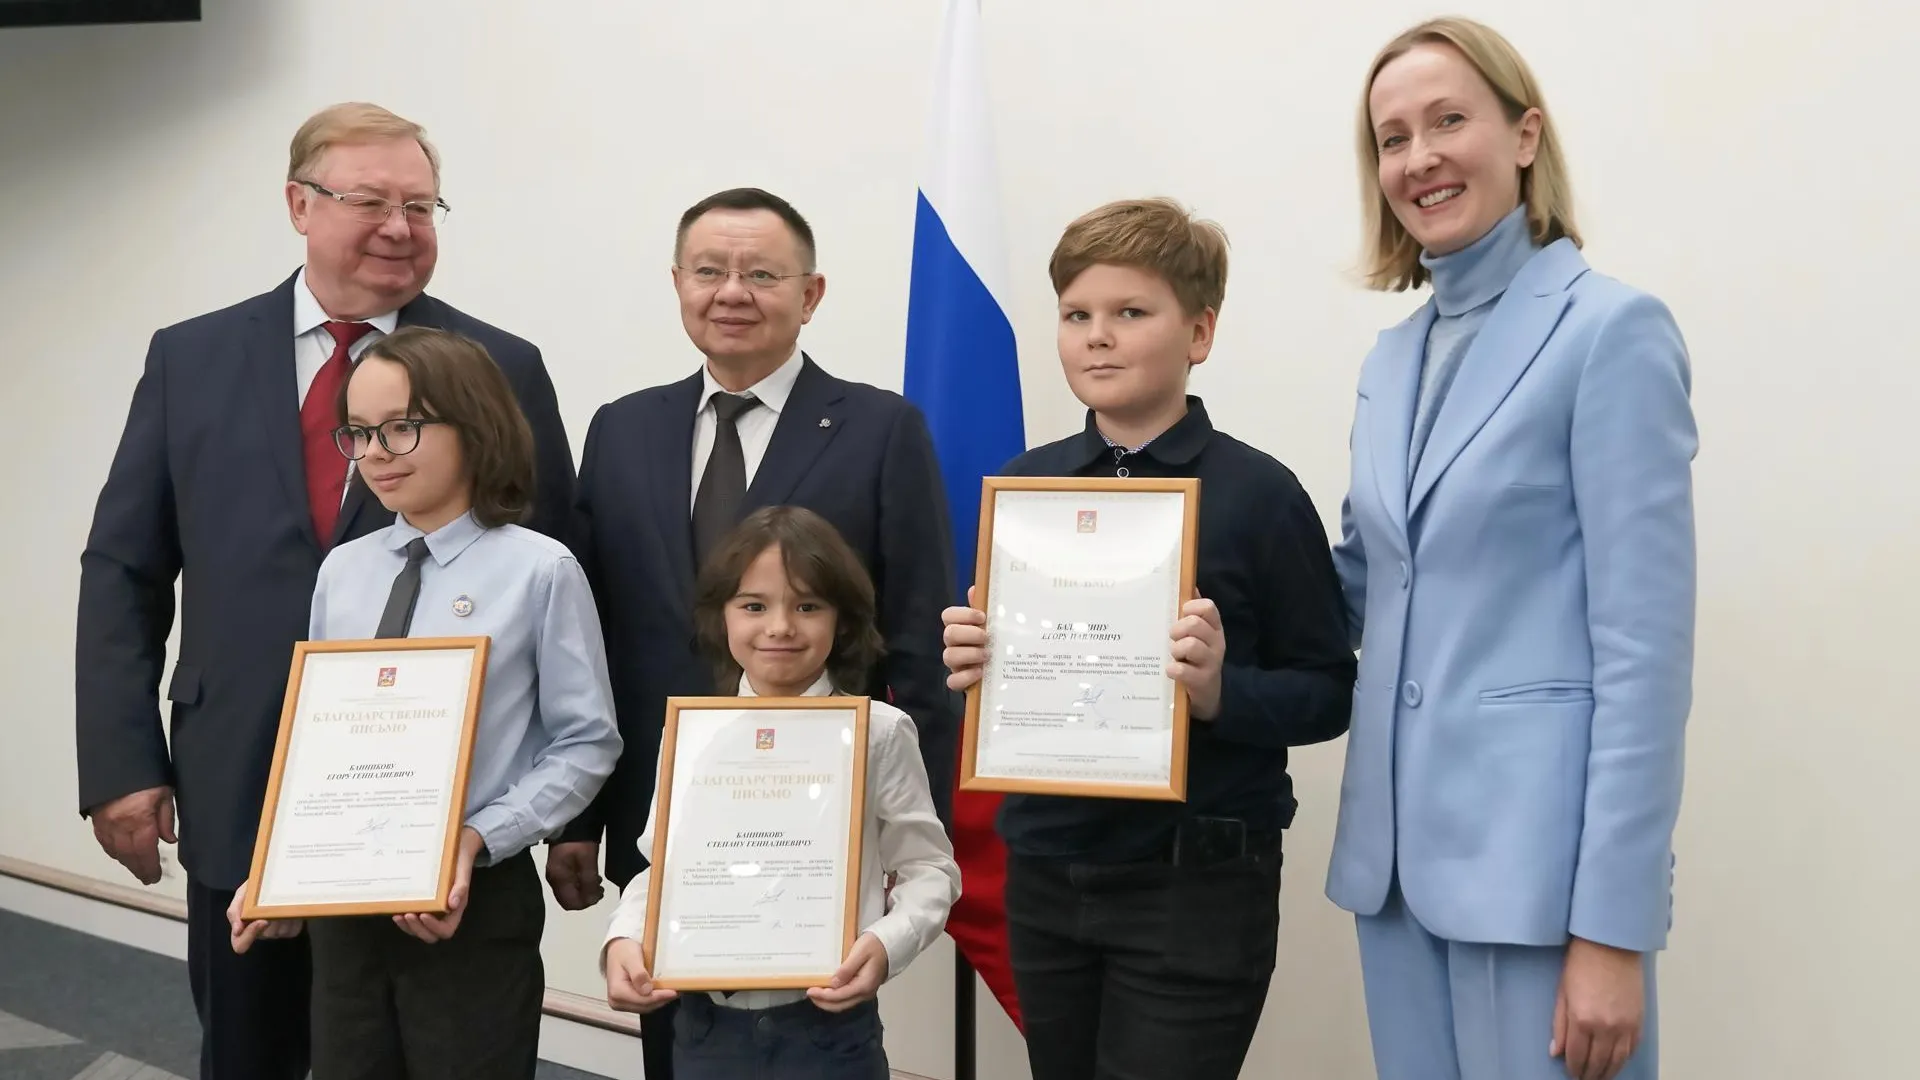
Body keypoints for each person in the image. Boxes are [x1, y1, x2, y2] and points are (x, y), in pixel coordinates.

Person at [73, 102, 575, 1080]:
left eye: (422, 205)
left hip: (437, 821)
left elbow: (557, 581)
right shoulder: (193, 357)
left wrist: (571, 819)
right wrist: (121, 761)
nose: (400, 227)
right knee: (247, 1053)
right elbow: (124, 568)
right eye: (370, 201)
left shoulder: (501, 369)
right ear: (299, 205)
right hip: (239, 785)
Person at [1323, 17, 1698, 1080]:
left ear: (1525, 135)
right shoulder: (1390, 364)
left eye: (1449, 121)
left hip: (1541, 890)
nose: (1420, 157)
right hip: (1392, 876)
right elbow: (1358, 593)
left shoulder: (1609, 333)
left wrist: (1615, 930)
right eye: (1392, 138)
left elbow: (1644, 657)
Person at [940, 198, 1356, 1080]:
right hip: (1047, 872)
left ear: (1199, 332)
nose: (1099, 337)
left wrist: (1219, 692)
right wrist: (978, 662)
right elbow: (1004, 673)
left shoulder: (1260, 493)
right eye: (1077, 315)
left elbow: (1327, 690)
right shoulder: (1023, 485)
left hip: (1194, 886)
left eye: (1131, 313)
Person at [547, 187, 958, 1078]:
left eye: (762, 274)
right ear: (678, 283)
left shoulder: (881, 429)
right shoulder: (622, 428)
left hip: (818, 835)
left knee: (815, 1046)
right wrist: (578, 818)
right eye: (710, 270)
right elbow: (591, 645)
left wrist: (920, 839)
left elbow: (920, 639)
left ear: (810, 295)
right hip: (662, 820)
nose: (732, 291)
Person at [228, 326, 621, 1079]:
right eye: (359, 433)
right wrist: (280, 871)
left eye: (401, 428)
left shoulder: (540, 571)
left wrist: (477, 837)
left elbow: (586, 742)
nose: (375, 452)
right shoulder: (343, 572)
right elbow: (315, 740)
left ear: (474, 426)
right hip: (345, 908)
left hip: (470, 898)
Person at [601, 504, 959, 1079]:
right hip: (705, 1031)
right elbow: (661, 870)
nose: (780, 627)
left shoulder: (879, 733)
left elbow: (930, 869)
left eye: (808, 606)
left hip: (827, 1033)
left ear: (841, 620)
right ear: (722, 616)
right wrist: (624, 940)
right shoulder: (693, 732)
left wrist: (889, 942)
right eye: (754, 606)